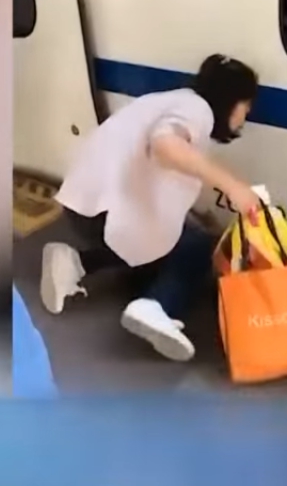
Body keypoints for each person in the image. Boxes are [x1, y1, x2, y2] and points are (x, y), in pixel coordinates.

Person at [41, 54, 263, 362]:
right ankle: (157, 307)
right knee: (198, 247)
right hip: (108, 213)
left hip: (84, 208)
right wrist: (233, 187)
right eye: (246, 106)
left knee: (162, 244)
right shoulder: (196, 110)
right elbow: (166, 147)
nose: (245, 116)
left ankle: (74, 261)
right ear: (232, 100)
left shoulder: (170, 100)